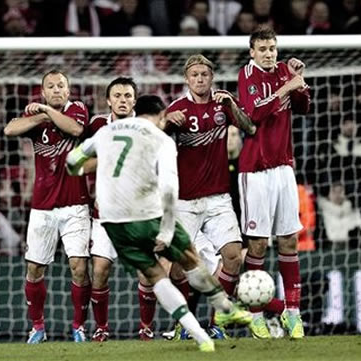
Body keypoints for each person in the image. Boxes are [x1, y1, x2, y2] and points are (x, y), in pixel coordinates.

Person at [66, 94, 252, 352]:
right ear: (161, 115)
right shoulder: (161, 139)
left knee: (155, 276)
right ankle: (224, 307)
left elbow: (72, 162)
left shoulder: (105, 133)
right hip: (145, 214)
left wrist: (98, 170)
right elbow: (168, 186)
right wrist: (166, 228)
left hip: (111, 221)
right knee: (190, 259)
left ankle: (201, 337)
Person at [165, 54, 256, 339]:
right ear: (187, 79)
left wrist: (232, 106)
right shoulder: (177, 109)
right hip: (185, 202)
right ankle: (185, 322)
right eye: (195, 75)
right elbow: (154, 142)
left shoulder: (222, 104)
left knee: (232, 258)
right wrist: (166, 122)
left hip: (218, 199)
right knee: (178, 266)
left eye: (205, 74)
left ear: (211, 77)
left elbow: (249, 127)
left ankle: (217, 323)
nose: (200, 79)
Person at [4, 69, 91, 344]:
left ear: (68, 90)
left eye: (60, 85)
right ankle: (38, 327)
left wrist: (41, 112)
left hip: (75, 205)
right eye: (50, 86)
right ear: (43, 92)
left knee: (79, 266)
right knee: (35, 270)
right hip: (42, 207)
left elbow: (76, 130)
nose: (56, 90)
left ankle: (78, 326)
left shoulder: (77, 109)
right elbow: (9, 129)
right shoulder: (38, 117)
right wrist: (41, 114)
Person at [237, 26, 310, 339]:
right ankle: (255, 316)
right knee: (257, 244)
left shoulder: (284, 71)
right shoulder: (247, 75)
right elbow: (253, 114)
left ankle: (292, 314)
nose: (268, 54)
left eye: (272, 48)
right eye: (262, 49)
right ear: (252, 52)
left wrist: (299, 85)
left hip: (283, 169)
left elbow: (304, 108)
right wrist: (285, 88)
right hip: (255, 171)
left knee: (289, 240)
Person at [83, 77, 159, 342]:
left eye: (127, 96)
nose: (122, 100)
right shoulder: (95, 126)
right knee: (101, 269)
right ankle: (101, 327)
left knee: (145, 273)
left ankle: (146, 328)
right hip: (104, 216)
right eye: (117, 95)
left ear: (134, 101)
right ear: (108, 100)